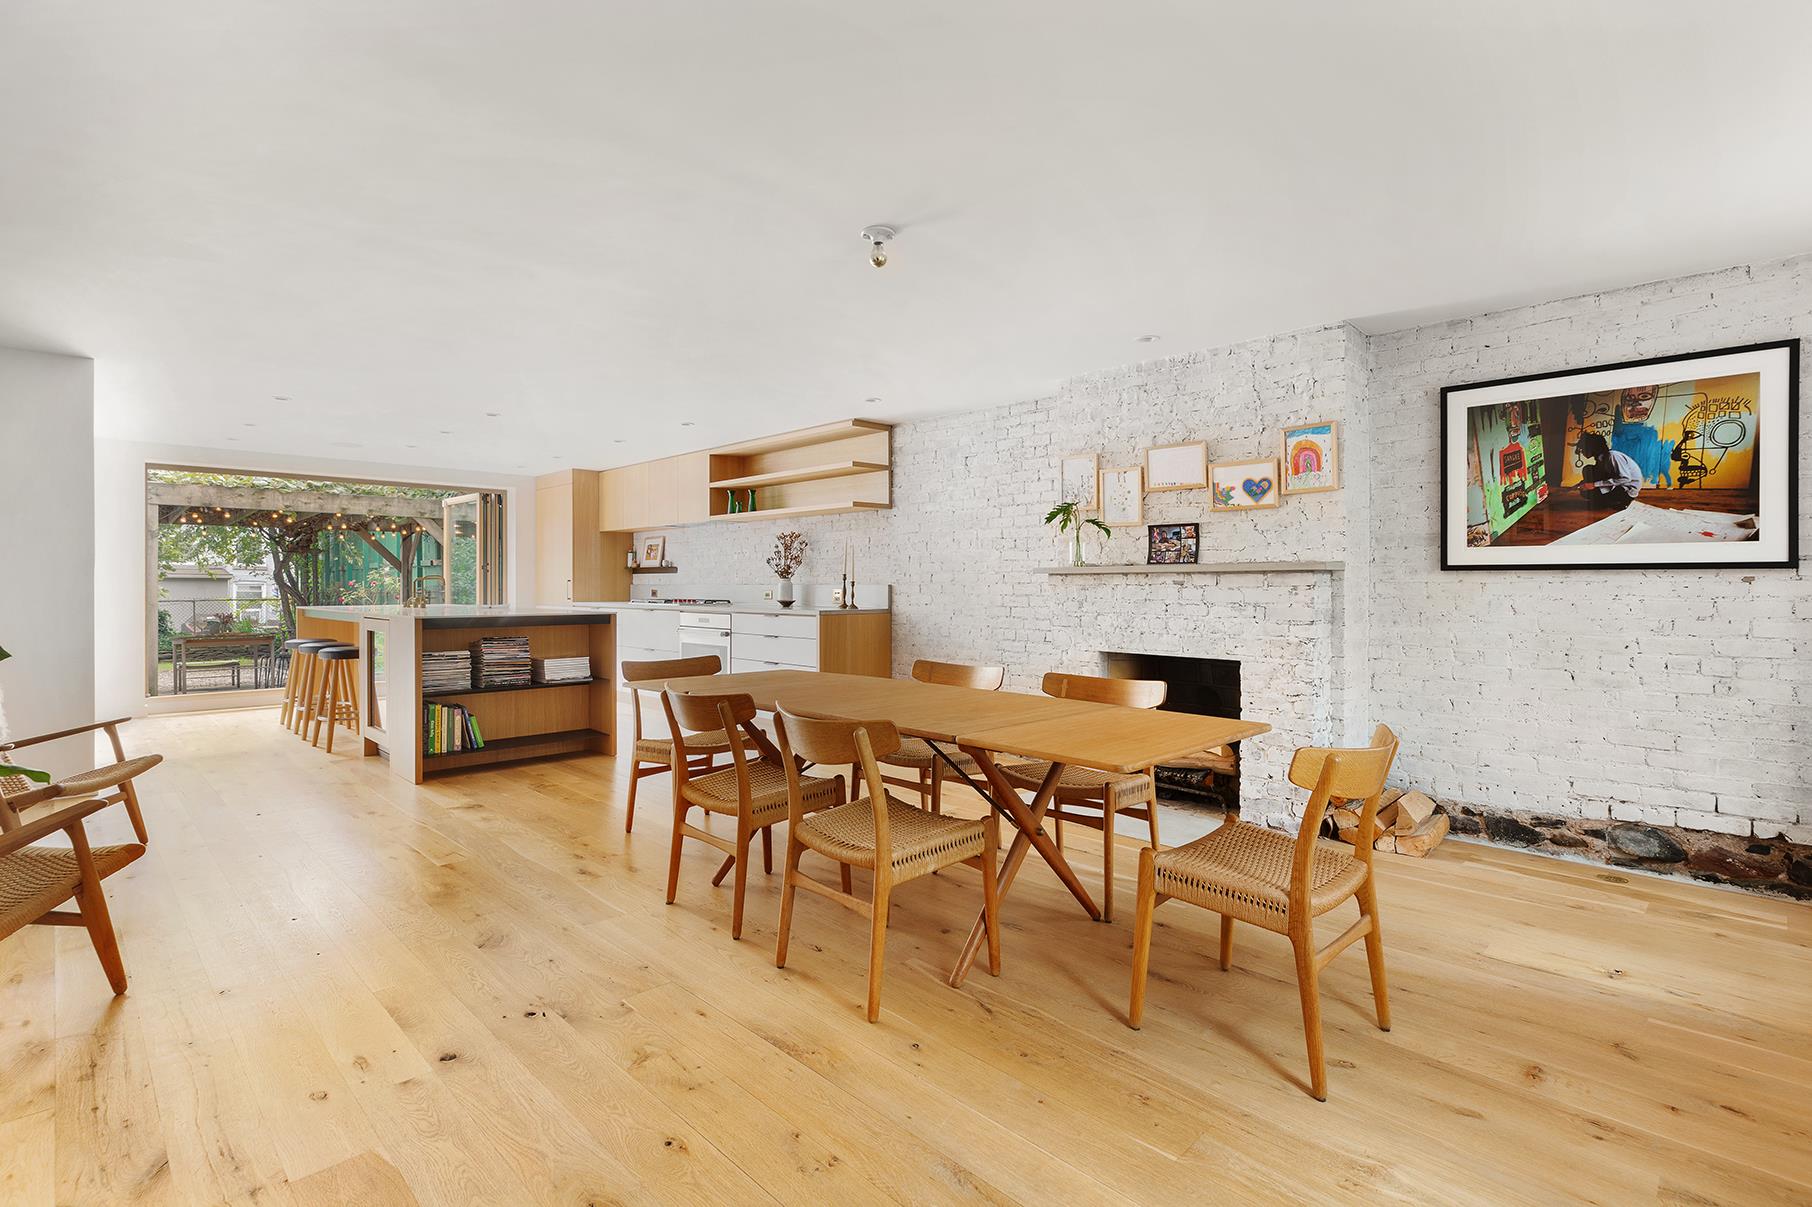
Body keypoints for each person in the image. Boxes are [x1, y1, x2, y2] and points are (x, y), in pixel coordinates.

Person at [1574, 431, 1642, 510]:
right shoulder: (1601, 458)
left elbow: (1625, 478)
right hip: (1618, 486)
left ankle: (1619, 501)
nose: (1580, 452)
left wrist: (1594, 485)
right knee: (1588, 470)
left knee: (1592, 499)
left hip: (1626, 490)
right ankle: (1606, 500)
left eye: (1582, 449)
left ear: (1591, 447)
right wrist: (1584, 483)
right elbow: (1604, 475)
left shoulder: (1612, 456)